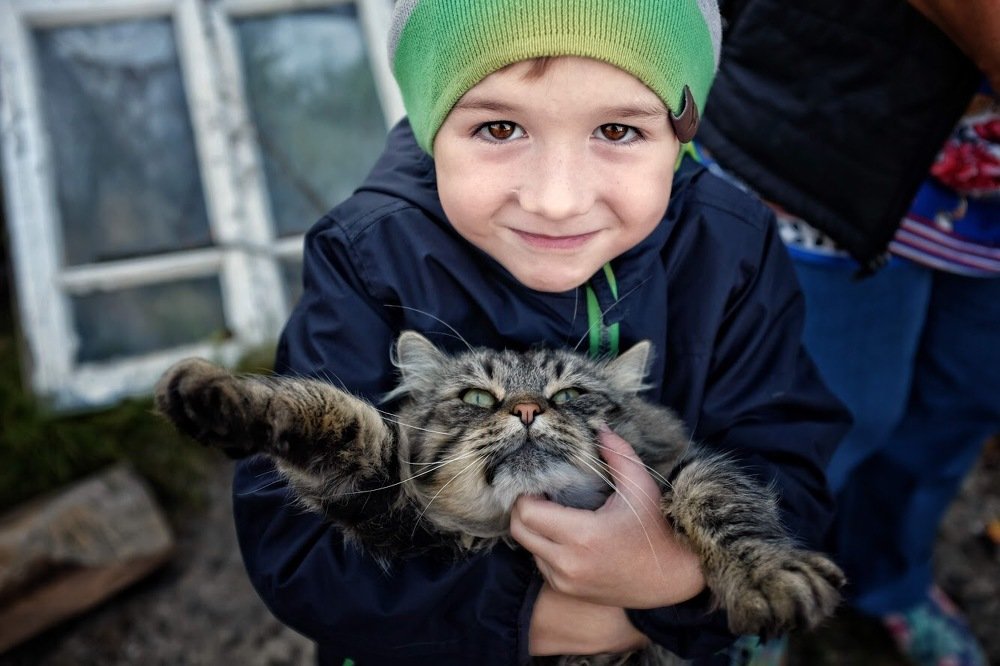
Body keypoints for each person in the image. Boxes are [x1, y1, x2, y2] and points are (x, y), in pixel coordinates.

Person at [231, 2, 850, 664]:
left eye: (616, 129)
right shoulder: (367, 255)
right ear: (431, 124)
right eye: (499, 127)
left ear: (681, 137)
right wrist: (543, 617)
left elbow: (788, 464)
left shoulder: (730, 244)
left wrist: (676, 583)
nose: (557, 199)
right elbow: (295, 546)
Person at [697, 1, 1000, 664]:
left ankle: (891, 578)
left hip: (988, 203)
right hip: (831, 134)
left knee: (957, 407)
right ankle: (743, 609)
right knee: (814, 420)